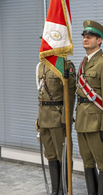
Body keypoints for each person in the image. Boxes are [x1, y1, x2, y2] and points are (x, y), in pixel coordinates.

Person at [75, 20, 103, 195]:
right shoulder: (83, 62)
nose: (85, 39)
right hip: (82, 121)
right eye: (84, 36)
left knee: (102, 163)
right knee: (87, 162)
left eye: (89, 36)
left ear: (99, 40)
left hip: (97, 122)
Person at [37, 56, 76, 195]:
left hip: (58, 117)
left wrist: (67, 118)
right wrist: (38, 118)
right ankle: (55, 191)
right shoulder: (41, 65)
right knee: (51, 155)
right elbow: (40, 94)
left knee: (63, 156)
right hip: (44, 117)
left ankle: (64, 189)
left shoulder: (65, 64)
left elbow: (70, 94)